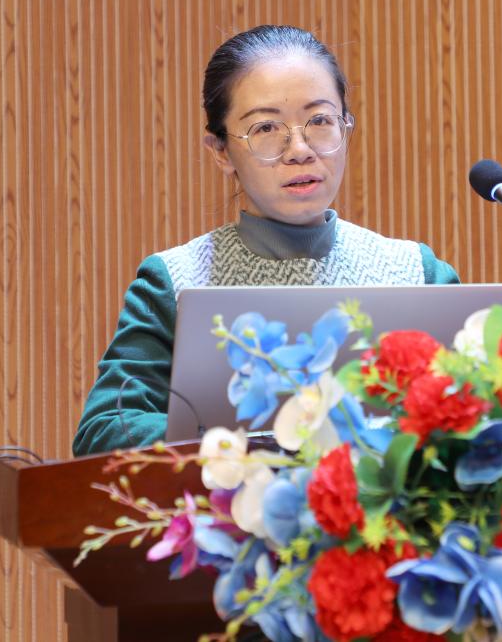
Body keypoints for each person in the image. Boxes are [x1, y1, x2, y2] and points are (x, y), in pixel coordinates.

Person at [73, 25, 459, 456]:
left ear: (346, 127)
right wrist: (246, 449)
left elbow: (478, 416)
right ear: (221, 151)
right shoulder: (176, 281)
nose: (299, 149)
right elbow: (104, 430)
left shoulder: (416, 273)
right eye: (266, 128)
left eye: (320, 121)